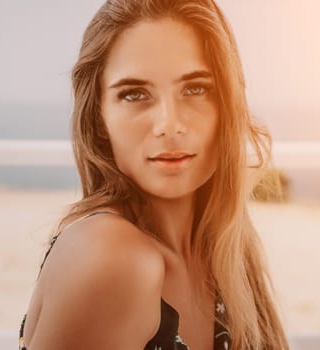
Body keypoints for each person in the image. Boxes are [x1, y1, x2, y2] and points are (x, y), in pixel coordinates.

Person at [19, 0, 289, 349]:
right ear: (99, 118)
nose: (169, 125)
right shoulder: (111, 257)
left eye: (195, 89)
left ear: (228, 105)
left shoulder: (224, 252)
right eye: (134, 94)